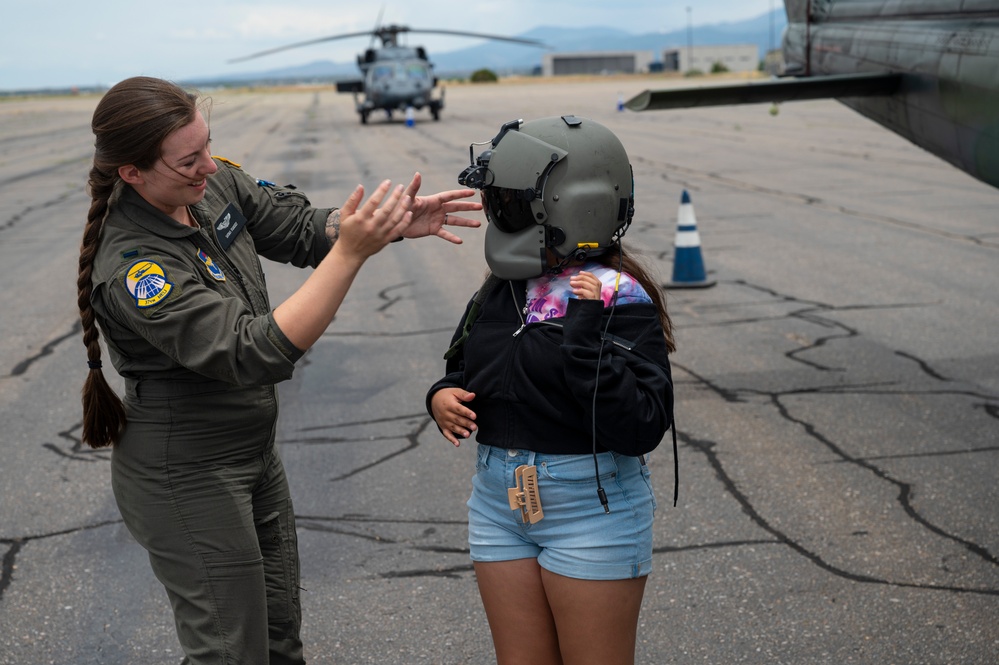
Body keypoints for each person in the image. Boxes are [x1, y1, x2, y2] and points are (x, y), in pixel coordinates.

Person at [77, 75, 480, 665]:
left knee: (278, 642)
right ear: (132, 173)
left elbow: (295, 227)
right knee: (230, 654)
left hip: (251, 455)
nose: (210, 168)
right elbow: (249, 351)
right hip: (187, 472)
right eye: (189, 160)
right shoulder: (135, 266)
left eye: (208, 146)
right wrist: (352, 254)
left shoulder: (206, 187)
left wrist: (375, 226)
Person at [427, 115, 677, 665]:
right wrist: (442, 397)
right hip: (498, 505)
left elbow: (639, 426)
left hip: (591, 509)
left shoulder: (617, 297)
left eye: (513, 205)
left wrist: (583, 342)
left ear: (570, 207)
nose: (501, 217)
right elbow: (466, 369)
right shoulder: (502, 290)